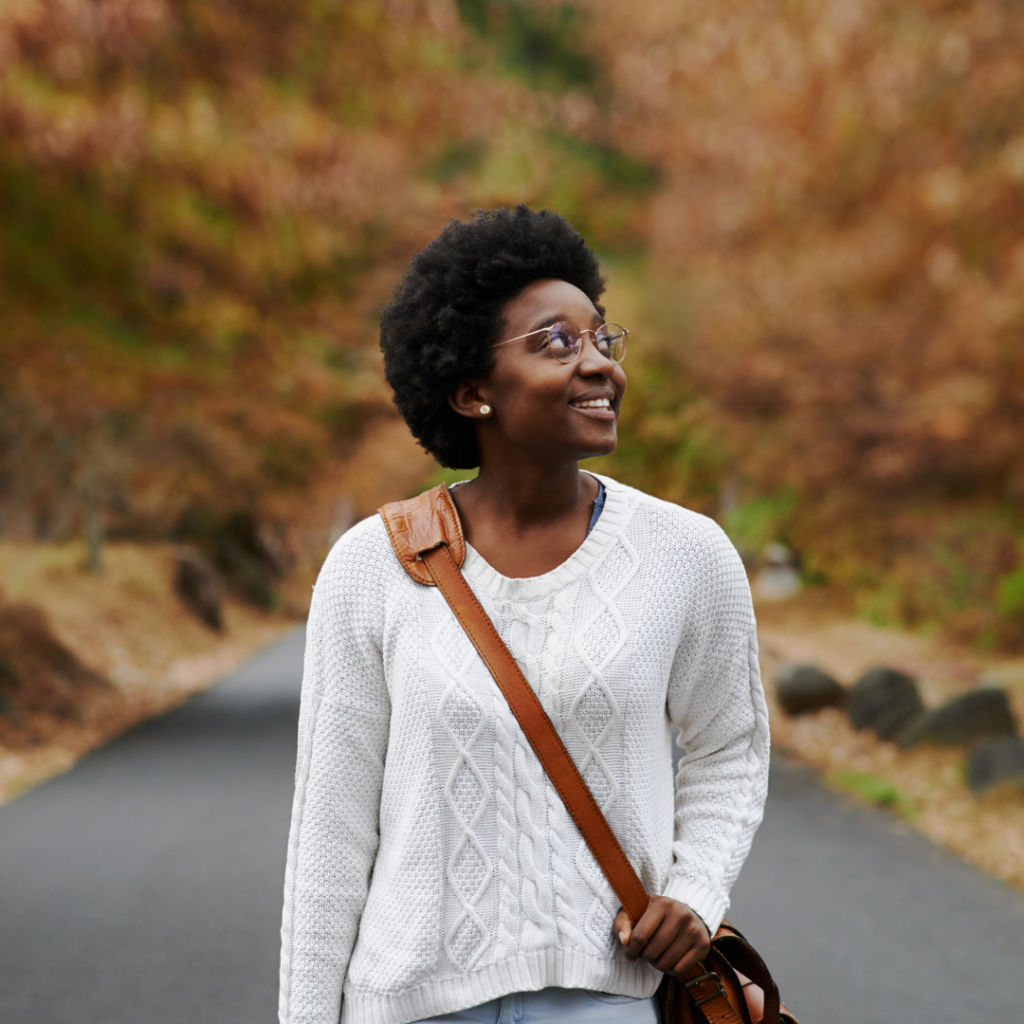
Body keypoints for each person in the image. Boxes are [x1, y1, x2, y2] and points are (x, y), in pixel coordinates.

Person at [278, 205, 769, 1024]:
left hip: (608, 1001)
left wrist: (693, 890)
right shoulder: (373, 567)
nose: (600, 366)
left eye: (603, 339)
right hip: (409, 1006)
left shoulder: (689, 555)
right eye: (557, 343)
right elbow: (330, 832)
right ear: (473, 392)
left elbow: (730, 749)